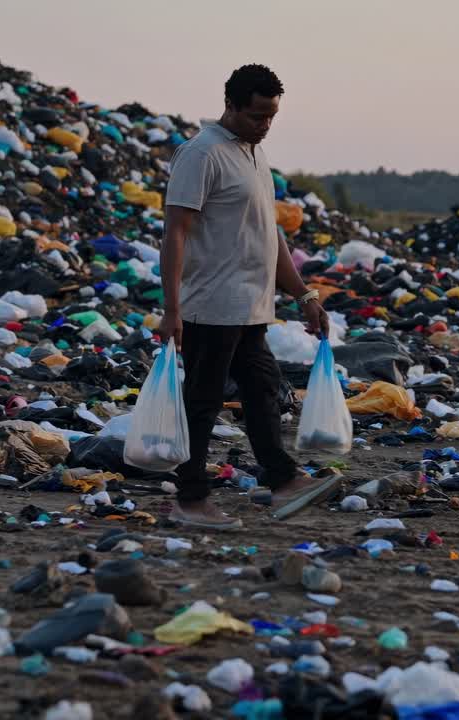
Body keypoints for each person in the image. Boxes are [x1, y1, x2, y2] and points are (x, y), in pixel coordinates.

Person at [157, 64, 339, 530]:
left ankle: (283, 479)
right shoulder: (201, 154)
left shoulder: (255, 156)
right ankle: (190, 500)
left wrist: (303, 295)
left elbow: (269, 233)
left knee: (262, 392)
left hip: (251, 306)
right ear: (232, 105)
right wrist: (172, 309)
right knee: (202, 402)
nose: (265, 125)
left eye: (272, 116)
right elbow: (175, 232)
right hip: (210, 305)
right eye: (257, 116)